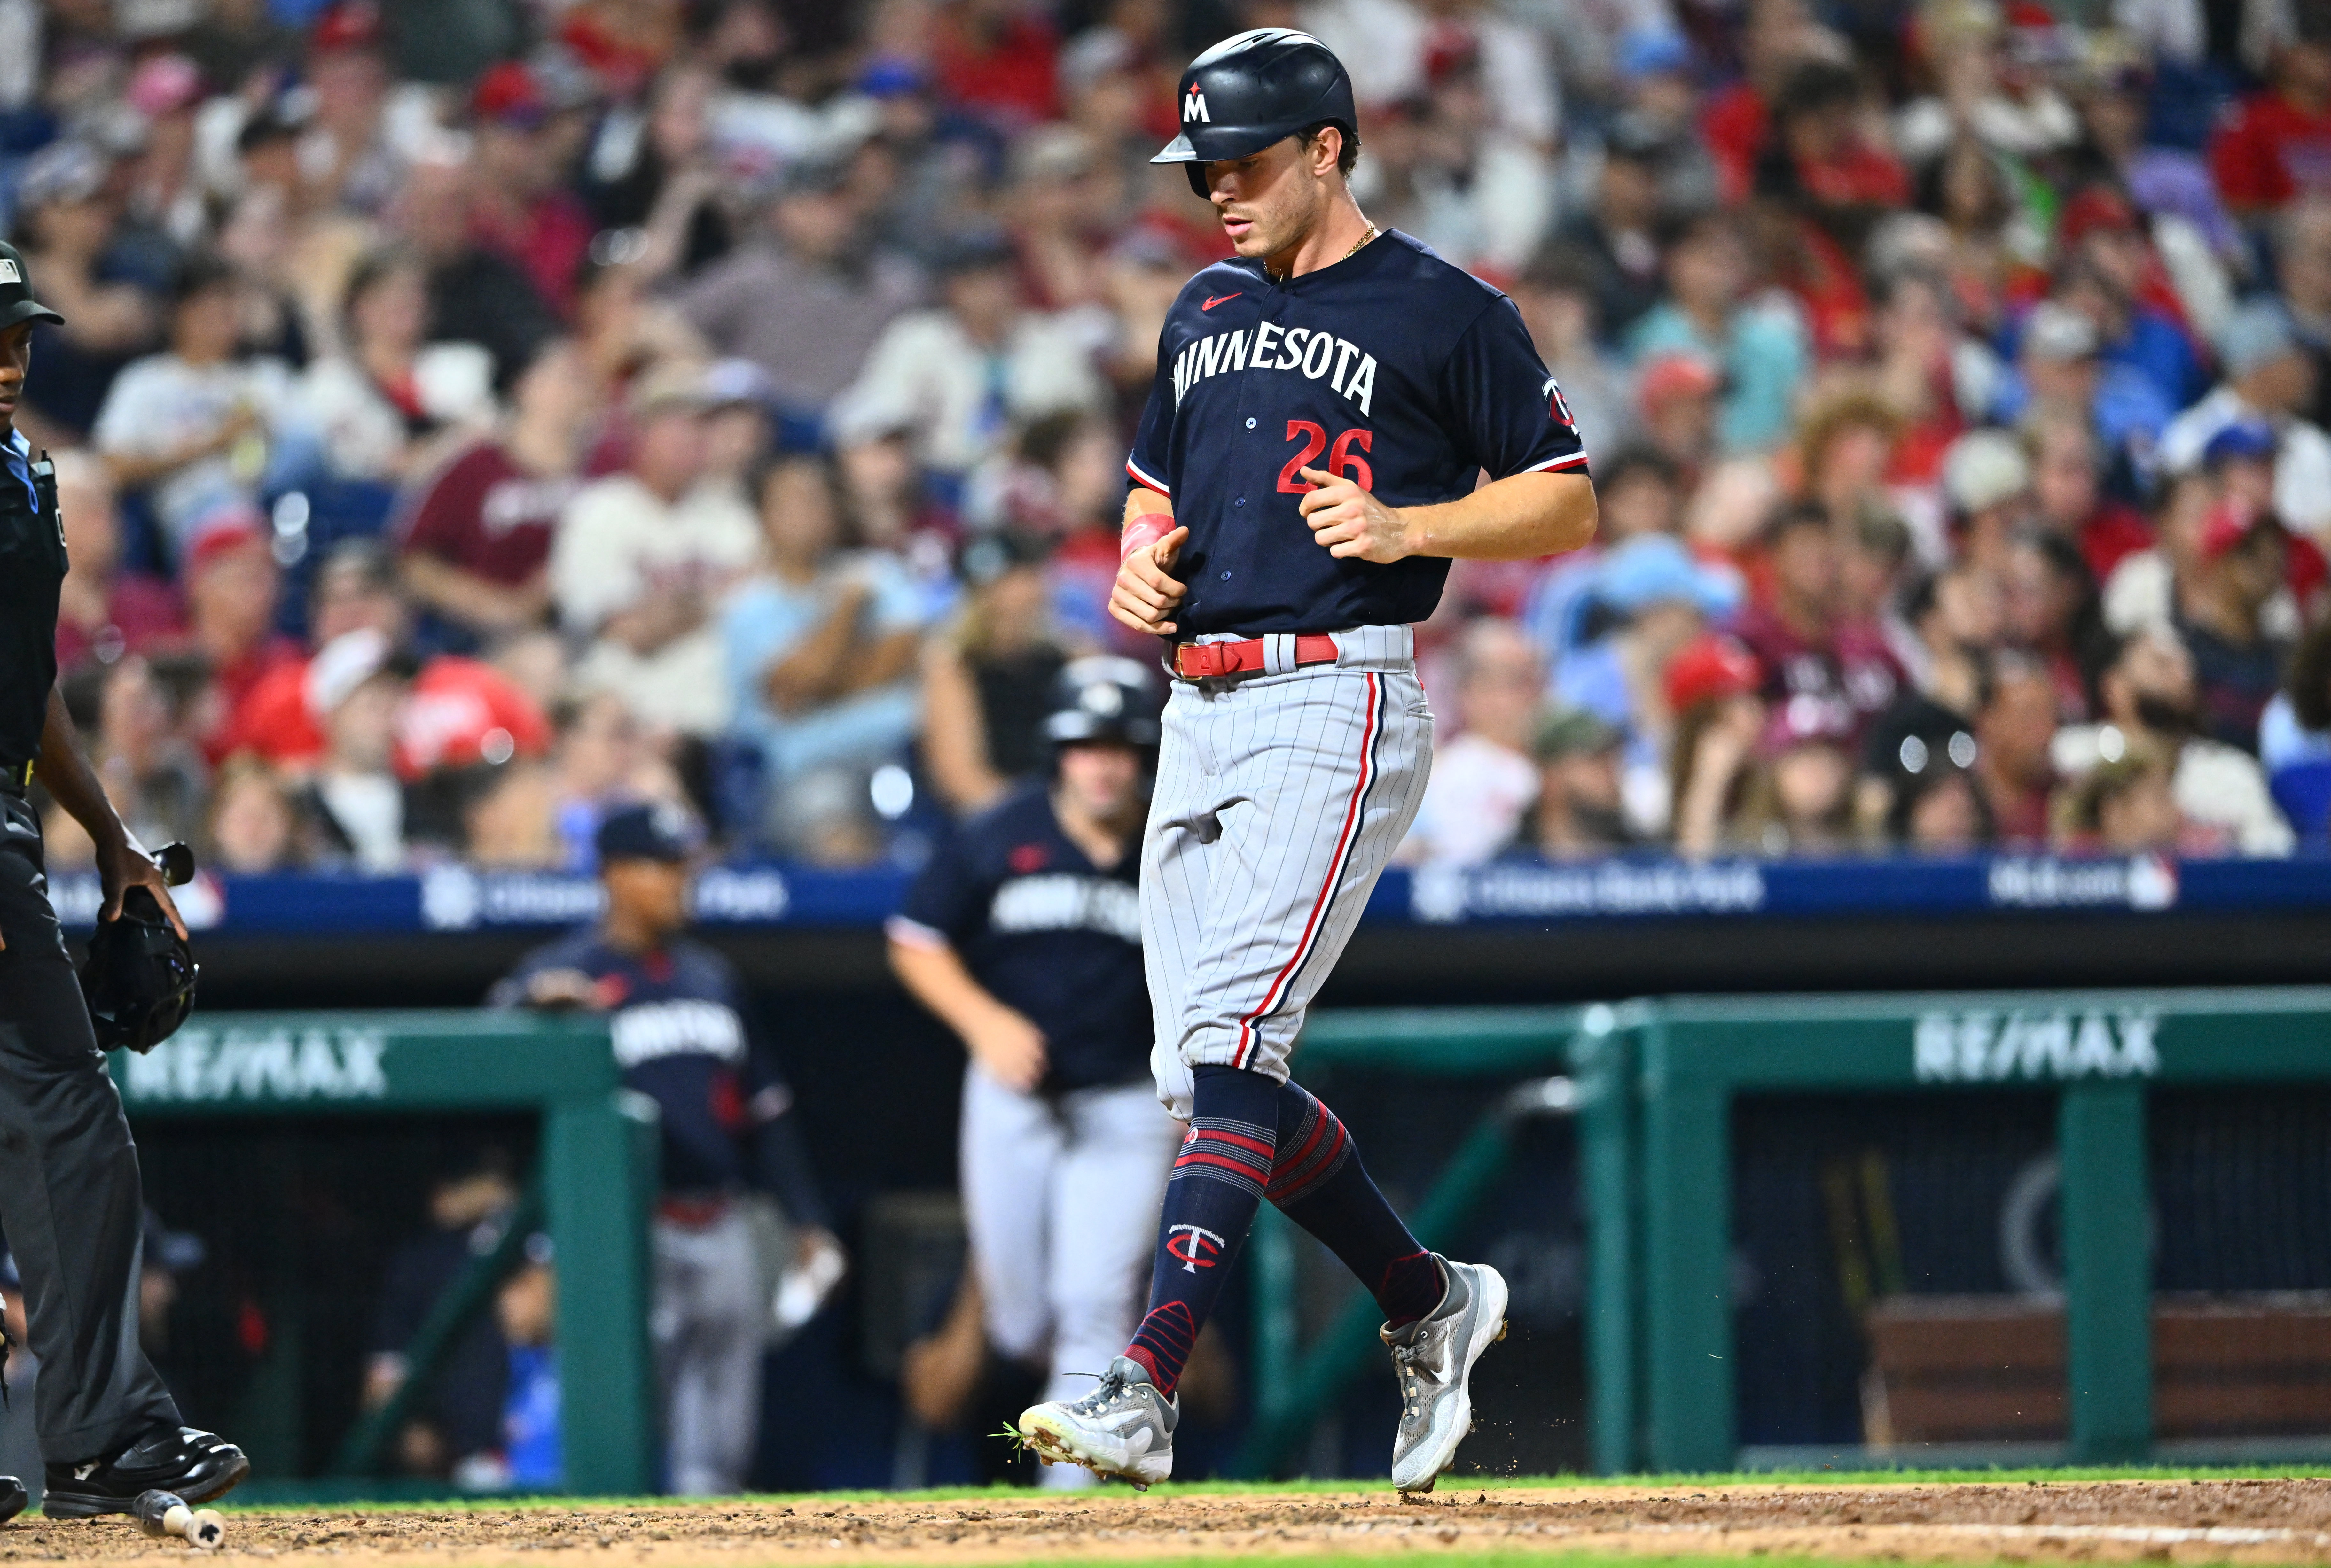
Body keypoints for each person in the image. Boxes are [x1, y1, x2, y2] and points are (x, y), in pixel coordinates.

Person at [1015, 30, 1598, 1494]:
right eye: (1203, 165)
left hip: (1333, 696)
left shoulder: (1441, 307)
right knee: (1202, 1079)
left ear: (1328, 148)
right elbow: (1157, 491)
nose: (1218, 186)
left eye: (1247, 160)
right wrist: (1140, 570)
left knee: (1231, 1048)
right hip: (1195, 710)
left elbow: (1562, 500)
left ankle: (1143, 1383)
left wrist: (1411, 529)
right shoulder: (1201, 303)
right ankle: (1423, 1299)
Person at [0, 240, 248, 1521]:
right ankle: (101, 1438)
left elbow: (26, 674)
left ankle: (100, 1434)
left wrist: (105, 831)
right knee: (67, 1115)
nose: (8, 361)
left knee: (56, 1115)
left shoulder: (25, 472)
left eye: (20, 337)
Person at [887, 659, 1180, 1491]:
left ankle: (1066, 1503)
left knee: (1093, 1303)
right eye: (1084, 745)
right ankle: (1066, 1423)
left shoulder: (1171, 840)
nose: (1103, 763)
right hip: (1015, 1095)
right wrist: (984, 1022)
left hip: (1126, 1099)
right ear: (1056, 752)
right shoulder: (1000, 830)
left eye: (1120, 746)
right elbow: (915, 936)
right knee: (1020, 1317)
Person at [491, 803, 839, 1496]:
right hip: (620, 1232)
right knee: (615, 1441)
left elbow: (765, 1113)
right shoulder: (562, 970)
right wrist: (533, 1015)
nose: (681, 881)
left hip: (721, 1221)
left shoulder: (711, 977)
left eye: (685, 866)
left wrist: (806, 1218)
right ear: (615, 874)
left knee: (719, 1453)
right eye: (663, 866)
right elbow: (494, 1087)